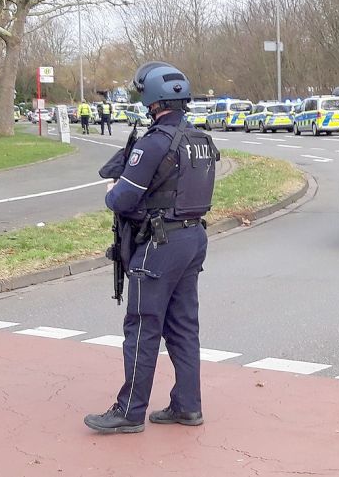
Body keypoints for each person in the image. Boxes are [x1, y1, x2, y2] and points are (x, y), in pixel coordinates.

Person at [84, 62, 219, 434]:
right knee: (183, 327)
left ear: (152, 99)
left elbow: (123, 197)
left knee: (142, 326)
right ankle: (187, 406)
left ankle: (129, 412)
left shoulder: (155, 142)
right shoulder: (201, 140)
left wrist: (111, 194)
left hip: (160, 244)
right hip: (193, 239)